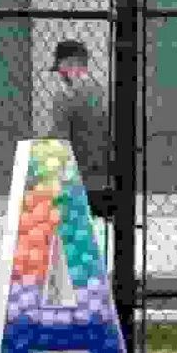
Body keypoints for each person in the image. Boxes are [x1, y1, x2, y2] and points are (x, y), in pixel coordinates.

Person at [50, 39, 114, 268]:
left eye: (60, 69)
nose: (59, 75)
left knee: (73, 254)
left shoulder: (65, 96)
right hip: (106, 181)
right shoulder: (105, 93)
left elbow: (60, 141)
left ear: (68, 64)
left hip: (75, 181)